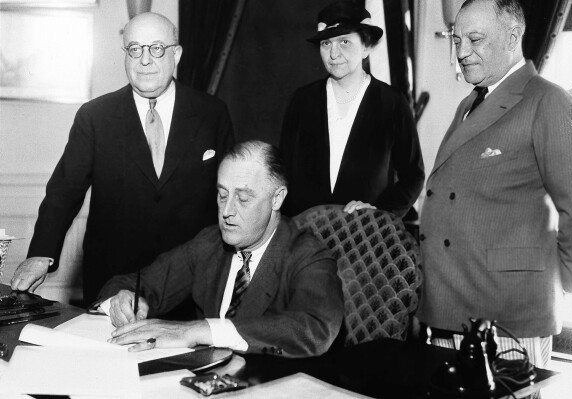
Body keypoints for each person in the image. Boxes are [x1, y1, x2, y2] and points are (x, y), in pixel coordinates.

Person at [417, 0, 572, 368]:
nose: (462, 52)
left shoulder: (548, 101)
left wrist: (559, 283)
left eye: (475, 39)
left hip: (509, 315)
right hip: (449, 306)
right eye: (456, 40)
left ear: (513, 35)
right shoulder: (470, 103)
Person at [10, 12, 235, 305]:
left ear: (176, 54)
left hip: (192, 283)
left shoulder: (212, 113)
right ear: (125, 54)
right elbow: (64, 191)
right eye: (134, 49)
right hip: (112, 282)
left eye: (156, 48)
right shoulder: (95, 117)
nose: (145, 60)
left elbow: (230, 191)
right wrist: (41, 253)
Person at [96, 141, 344, 358]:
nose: (227, 211)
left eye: (243, 199)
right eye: (222, 195)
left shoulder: (308, 254)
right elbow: (137, 282)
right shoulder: (210, 243)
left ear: (277, 199)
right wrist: (120, 300)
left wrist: (199, 330)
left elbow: (315, 328)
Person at [280, 0, 424, 217]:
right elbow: (283, 172)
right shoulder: (302, 100)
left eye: (344, 42)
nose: (334, 54)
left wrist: (379, 213)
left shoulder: (392, 103)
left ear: (366, 47)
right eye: (326, 44)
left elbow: (413, 176)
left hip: (363, 239)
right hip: (305, 238)